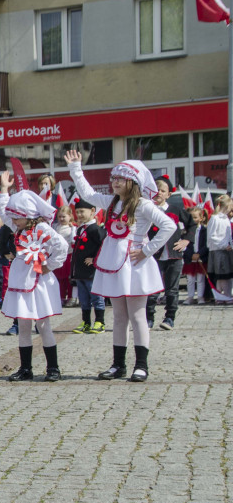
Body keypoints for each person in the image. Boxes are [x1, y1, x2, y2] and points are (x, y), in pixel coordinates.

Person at [67, 150, 176, 382]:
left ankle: (141, 365)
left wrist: (147, 250)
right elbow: (87, 193)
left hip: (134, 263)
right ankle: (118, 365)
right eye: (113, 178)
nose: (115, 182)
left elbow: (169, 226)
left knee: (137, 315)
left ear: (133, 182)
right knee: (118, 316)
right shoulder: (112, 202)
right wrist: (76, 168)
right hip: (113, 262)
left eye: (120, 179)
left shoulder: (143, 205)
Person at [0, 190, 70, 382]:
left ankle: (53, 368)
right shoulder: (18, 228)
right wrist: (3, 191)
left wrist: (49, 266)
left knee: (43, 325)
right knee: (23, 325)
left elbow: (62, 246)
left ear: (27, 215)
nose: (14, 221)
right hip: (20, 280)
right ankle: (25, 368)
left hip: (38, 281)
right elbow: (4, 214)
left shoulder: (43, 228)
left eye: (17, 217)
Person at [145, 177, 192, 329]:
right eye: (155, 190)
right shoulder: (147, 209)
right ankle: (148, 318)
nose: (158, 193)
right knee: (152, 289)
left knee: (172, 289)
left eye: (162, 190)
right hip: (154, 255)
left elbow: (192, 224)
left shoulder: (175, 210)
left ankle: (169, 318)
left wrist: (186, 240)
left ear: (168, 195)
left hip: (174, 255)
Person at [70, 199, 106, 334]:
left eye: (82, 212)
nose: (79, 214)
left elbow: (104, 245)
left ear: (92, 211)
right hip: (80, 271)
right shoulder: (81, 229)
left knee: (96, 296)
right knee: (84, 298)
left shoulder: (95, 229)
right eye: (77, 212)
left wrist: (95, 259)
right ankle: (86, 322)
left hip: (92, 271)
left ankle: (100, 321)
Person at [207, 194, 233, 304]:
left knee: (226, 275)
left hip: (226, 249)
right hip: (218, 250)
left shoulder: (226, 218)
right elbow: (212, 236)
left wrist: (230, 244)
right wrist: (223, 245)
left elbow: (228, 235)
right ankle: (222, 296)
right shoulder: (215, 218)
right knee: (221, 275)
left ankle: (226, 295)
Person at [182, 206, 209, 304]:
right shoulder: (186, 231)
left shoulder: (205, 230)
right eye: (191, 218)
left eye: (195, 217)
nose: (193, 220)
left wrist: (199, 254)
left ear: (201, 218)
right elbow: (184, 244)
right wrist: (191, 254)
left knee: (201, 279)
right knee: (190, 279)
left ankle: (200, 297)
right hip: (190, 258)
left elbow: (206, 244)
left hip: (201, 258)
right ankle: (190, 296)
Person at [52, 206, 76, 307]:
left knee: (68, 278)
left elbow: (73, 240)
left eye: (64, 216)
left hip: (68, 255)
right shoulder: (55, 227)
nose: (61, 219)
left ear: (70, 216)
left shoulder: (72, 228)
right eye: (60, 217)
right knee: (60, 278)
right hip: (58, 255)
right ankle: (61, 297)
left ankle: (71, 297)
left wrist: (73, 228)